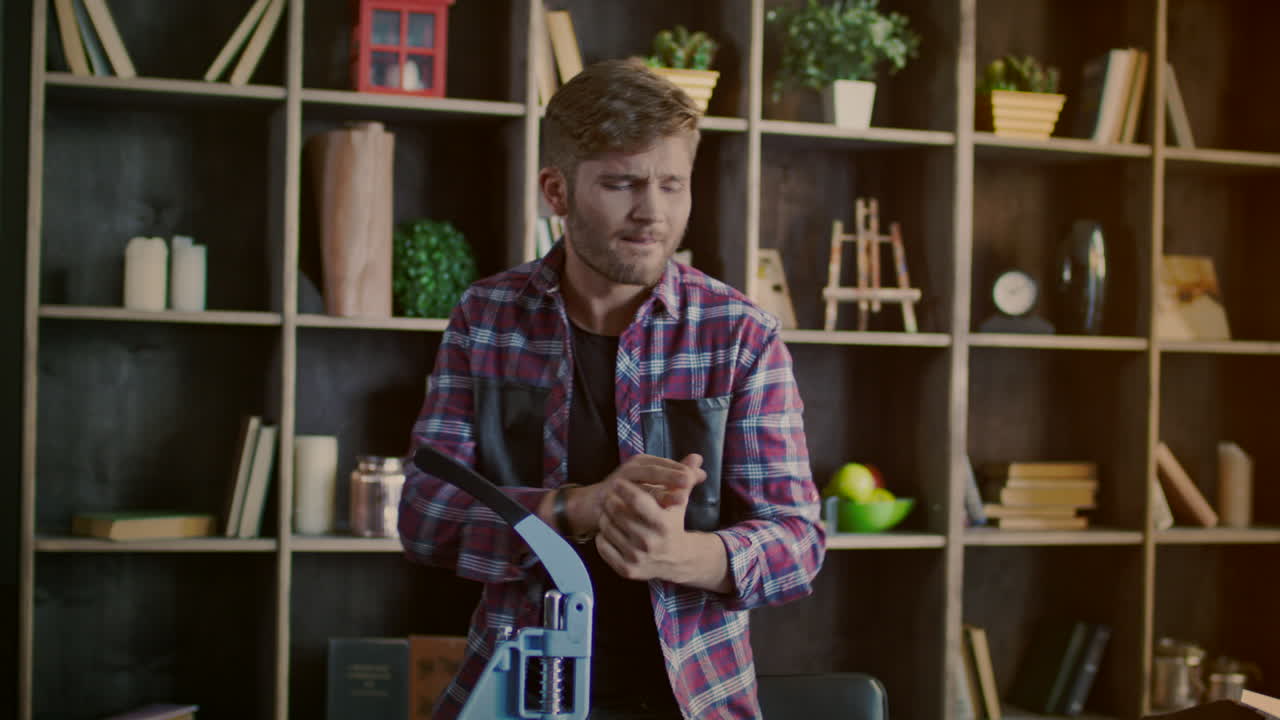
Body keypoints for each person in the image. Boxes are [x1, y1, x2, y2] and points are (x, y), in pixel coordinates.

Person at [399, 58, 825, 720]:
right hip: (513, 700)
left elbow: (798, 542)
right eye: (622, 183)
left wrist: (687, 556)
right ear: (557, 190)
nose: (652, 213)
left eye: (672, 184)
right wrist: (576, 508)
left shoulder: (741, 334)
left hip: (695, 700)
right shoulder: (485, 318)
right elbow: (424, 519)